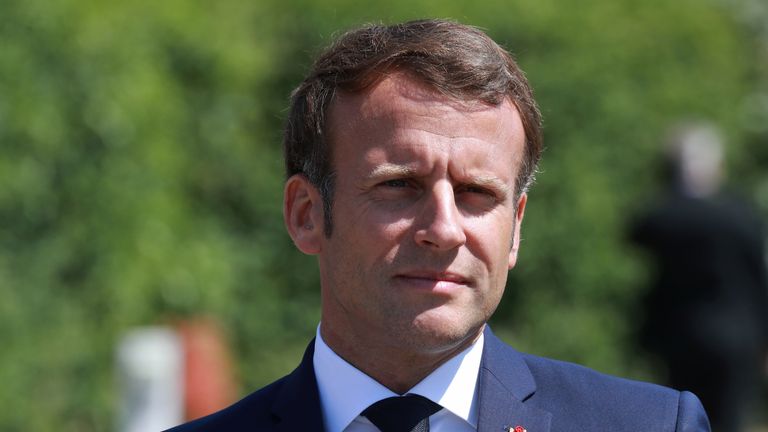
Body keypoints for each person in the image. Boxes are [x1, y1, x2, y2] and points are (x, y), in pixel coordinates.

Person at [167, 19, 710, 431]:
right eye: (399, 185)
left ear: (516, 228)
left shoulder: (653, 425)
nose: (445, 229)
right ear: (306, 214)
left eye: (478, 193)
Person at [631, 123, 768, 432]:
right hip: (738, 341)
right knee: (729, 420)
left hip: (682, 338)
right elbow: (759, 279)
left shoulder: (663, 218)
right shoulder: (741, 214)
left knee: (682, 418)